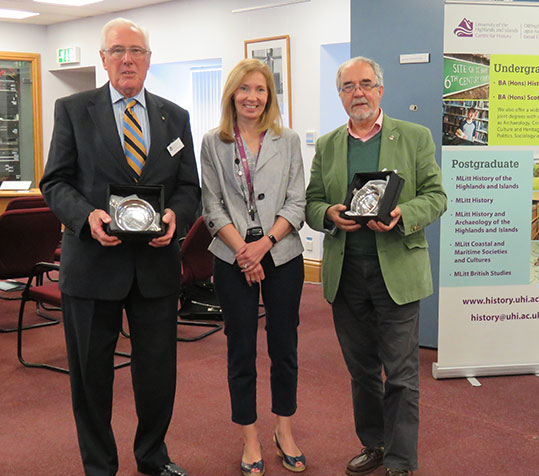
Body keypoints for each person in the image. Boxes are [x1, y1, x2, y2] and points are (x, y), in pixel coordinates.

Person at [40, 18, 199, 476]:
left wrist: (177, 216)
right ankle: (99, 466)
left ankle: (153, 457)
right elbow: (55, 181)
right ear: (103, 59)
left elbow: (190, 187)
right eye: (117, 51)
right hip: (92, 265)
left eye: (136, 51)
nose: (127, 59)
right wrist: (85, 219)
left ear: (149, 59)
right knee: (91, 378)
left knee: (157, 375)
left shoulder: (175, 116)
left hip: (155, 269)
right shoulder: (73, 109)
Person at [305, 57, 447, 476]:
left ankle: (401, 461)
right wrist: (329, 213)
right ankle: (374, 444)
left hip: (397, 273)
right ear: (341, 95)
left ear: (380, 90)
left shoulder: (414, 137)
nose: (358, 93)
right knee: (362, 371)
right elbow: (312, 202)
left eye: (366, 84)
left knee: (402, 373)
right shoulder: (329, 144)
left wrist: (403, 212)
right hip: (346, 275)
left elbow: (437, 196)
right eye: (349, 86)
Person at [201, 58, 306, 476]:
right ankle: (249, 436)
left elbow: (296, 201)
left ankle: (284, 428)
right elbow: (211, 203)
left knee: (285, 347)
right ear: (232, 95)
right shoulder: (214, 142)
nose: (252, 97)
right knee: (240, 348)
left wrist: (262, 245)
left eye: (260, 90)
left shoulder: (288, 139)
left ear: (270, 96)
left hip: (281, 254)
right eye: (244, 89)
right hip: (231, 256)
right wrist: (244, 250)